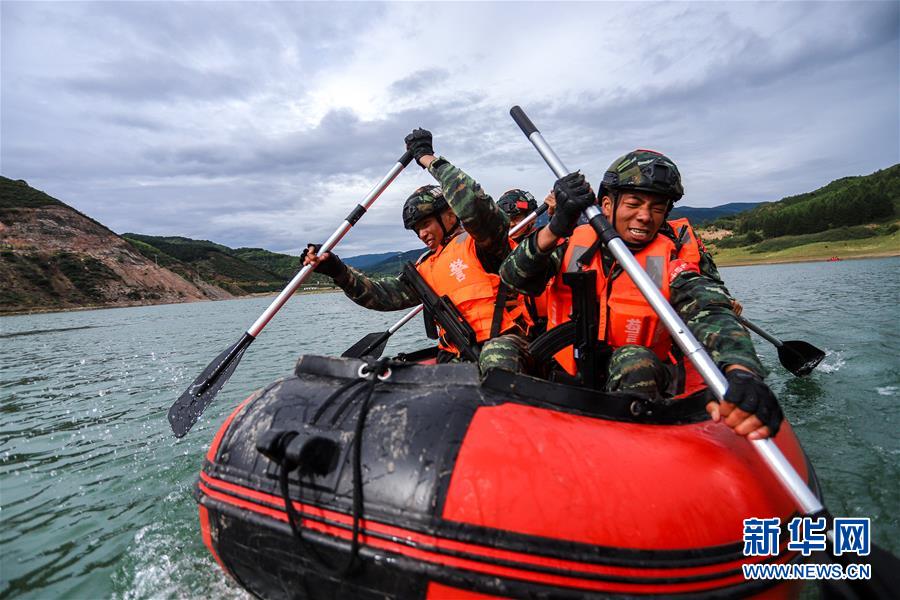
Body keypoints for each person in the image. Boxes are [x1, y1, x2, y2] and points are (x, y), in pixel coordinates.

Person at [499, 149, 782, 440]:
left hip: (632, 381)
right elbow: (513, 277)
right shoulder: (572, 244)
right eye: (634, 203)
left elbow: (709, 307)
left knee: (633, 360)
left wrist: (742, 369)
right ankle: (508, 441)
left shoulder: (670, 260)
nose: (645, 216)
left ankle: (631, 452)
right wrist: (556, 226)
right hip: (563, 368)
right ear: (607, 205)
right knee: (499, 350)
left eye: (657, 208)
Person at [302, 129, 530, 374]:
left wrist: (428, 159)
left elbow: (472, 202)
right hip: (456, 351)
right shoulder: (426, 267)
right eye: (416, 230)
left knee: (496, 356)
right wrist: (337, 271)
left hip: (505, 342)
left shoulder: (485, 242)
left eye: (425, 224)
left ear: (450, 214)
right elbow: (382, 296)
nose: (421, 234)